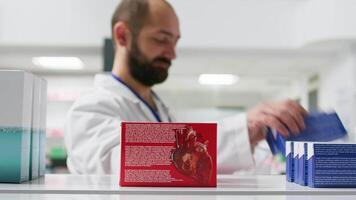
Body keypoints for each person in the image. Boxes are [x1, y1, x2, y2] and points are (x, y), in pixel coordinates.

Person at [64, 0, 307, 174]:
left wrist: (253, 138)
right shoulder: (91, 108)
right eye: (161, 39)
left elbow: (185, 162)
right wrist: (241, 129)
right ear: (122, 36)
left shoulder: (159, 107)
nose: (172, 53)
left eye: (175, 41)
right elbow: (130, 158)